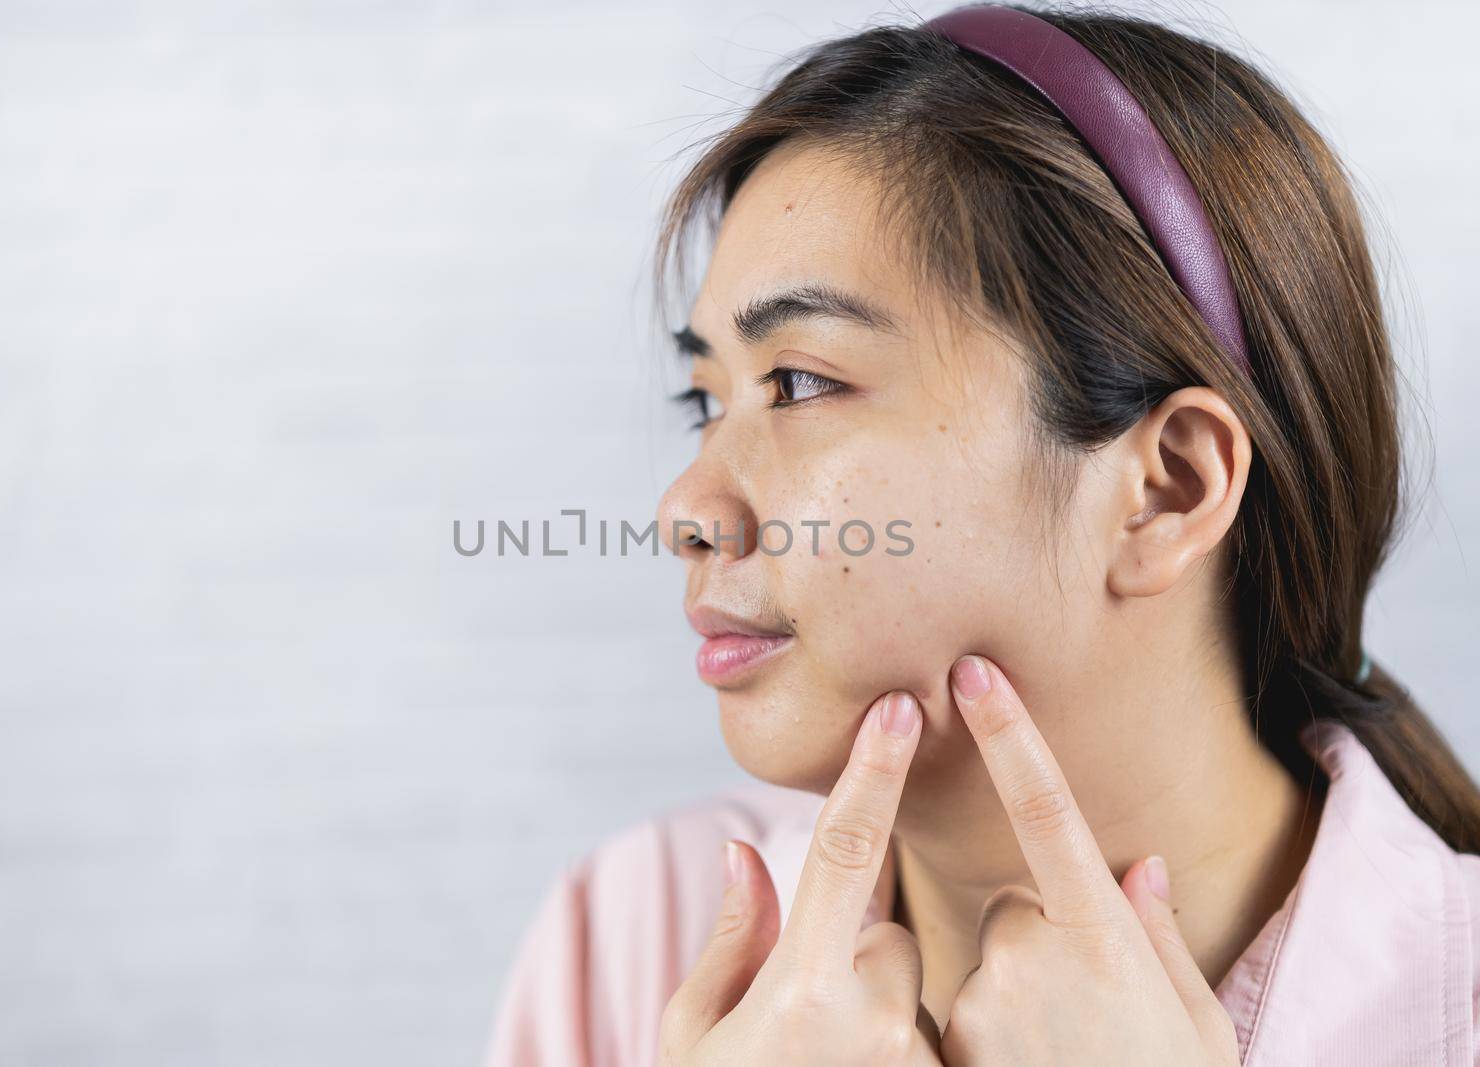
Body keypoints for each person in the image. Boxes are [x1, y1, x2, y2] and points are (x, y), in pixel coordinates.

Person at [483, 4, 1480, 1063]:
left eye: (801, 381)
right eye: (705, 401)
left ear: (1169, 488)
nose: (685, 509)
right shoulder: (635, 936)